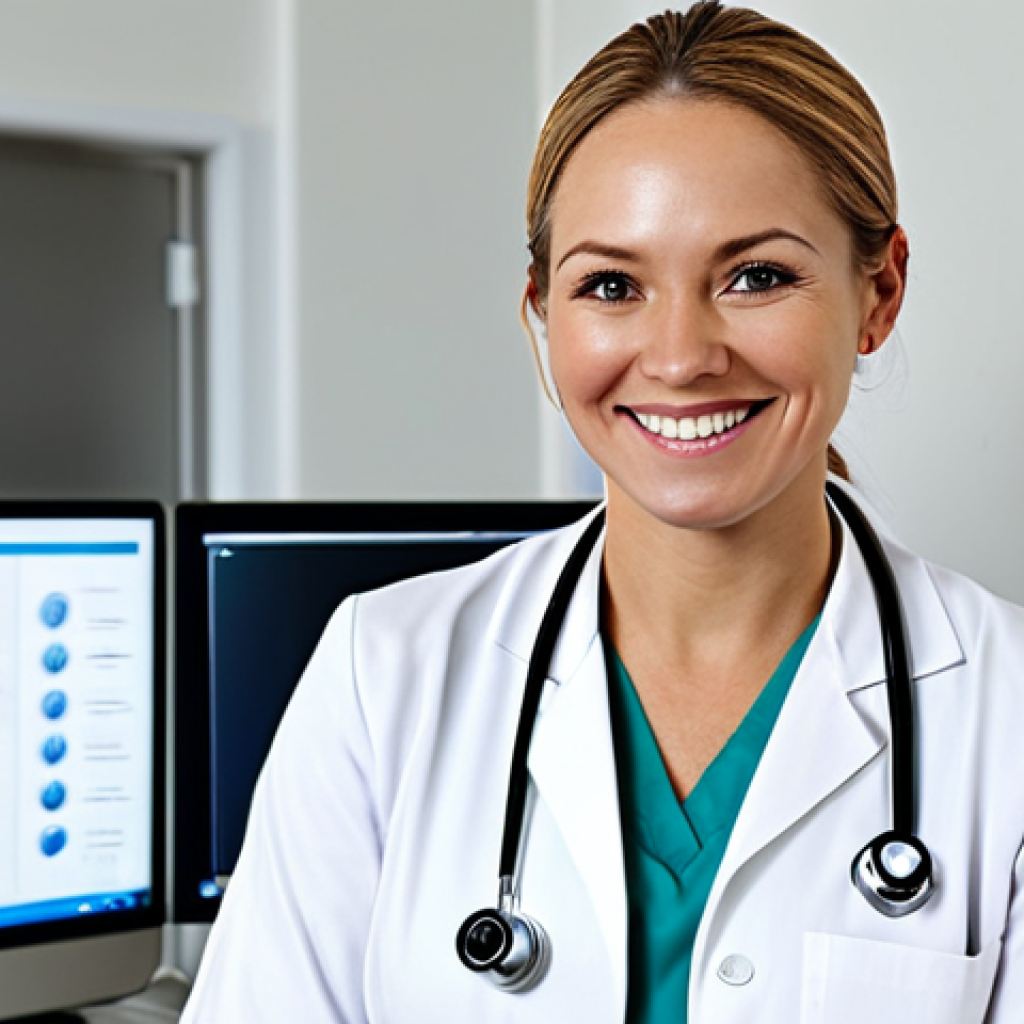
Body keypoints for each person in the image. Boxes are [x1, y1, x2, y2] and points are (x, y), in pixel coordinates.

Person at [181, 5, 1024, 1022]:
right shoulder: (383, 676)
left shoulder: (1005, 712)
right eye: (613, 284)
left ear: (878, 292)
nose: (679, 357)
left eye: (756, 276)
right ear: (543, 308)